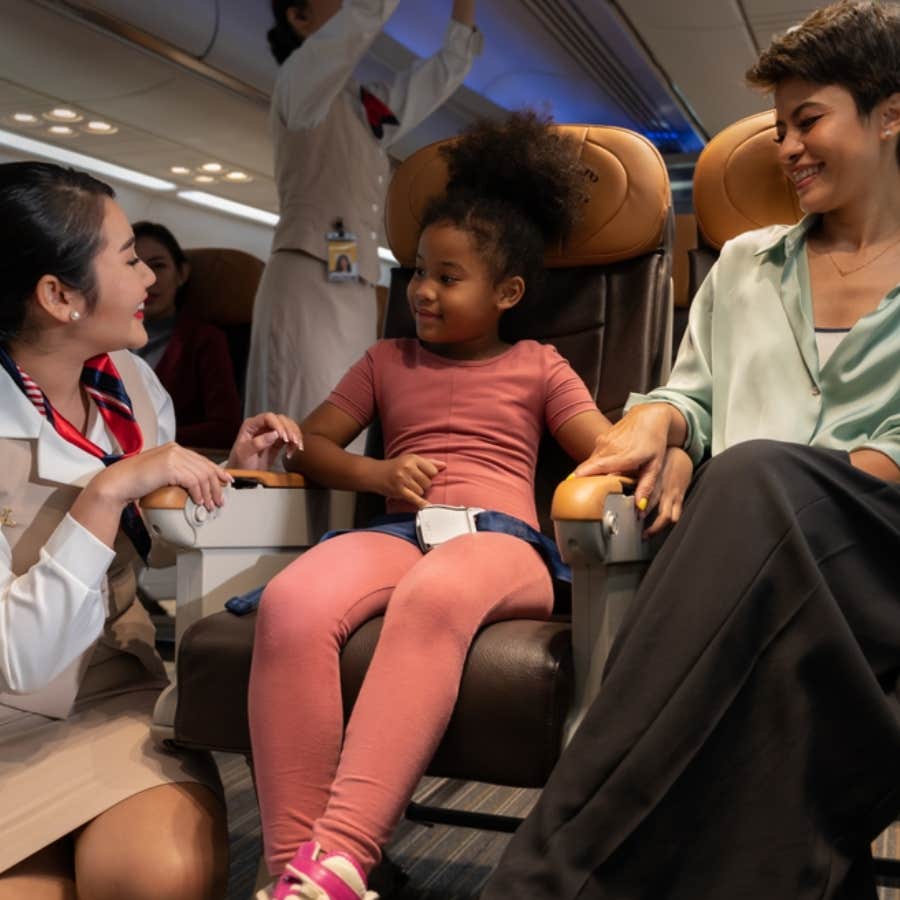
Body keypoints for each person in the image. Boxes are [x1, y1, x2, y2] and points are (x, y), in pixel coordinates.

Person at [480, 3, 900, 899]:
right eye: (779, 127)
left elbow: (882, 463)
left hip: (882, 560)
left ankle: (546, 875)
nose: (787, 146)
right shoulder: (744, 265)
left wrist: (730, 483)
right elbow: (689, 392)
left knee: (754, 479)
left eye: (808, 120)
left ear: (890, 115)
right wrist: (663, 428)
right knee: (773, 683)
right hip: (757, 561)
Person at [247, 111, 695, 900]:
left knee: (436, 594)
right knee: (292, 601)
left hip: (503, 545)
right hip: (398, 528)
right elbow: (317, 444)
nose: (421, 290)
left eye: (447, 279)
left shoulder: (537, 364)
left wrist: (664, 441)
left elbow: (602, 445)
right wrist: (379, 475)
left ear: (508, 292)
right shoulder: (386, 359)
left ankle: (344, 854)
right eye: (418, 271)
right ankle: (295, 874)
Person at [0, 161, 303, 900]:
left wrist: (220, 480)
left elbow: (161, 553)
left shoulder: (131, 385)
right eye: (130, 257)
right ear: (59, 295)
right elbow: (18, 659)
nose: (149, 279)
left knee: (155, 877)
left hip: (114, 692)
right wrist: (103, 495)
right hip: (8, 711)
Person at [244, 0, 482, 439]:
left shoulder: (361, 104)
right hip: (307, 280)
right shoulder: (299, 81)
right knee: (301, 425)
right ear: (299, 16)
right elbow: (363, 16)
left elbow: (445, 70)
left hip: (351, 280)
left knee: (347, 427)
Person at [132, 221, 243, 449]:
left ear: (181, 274)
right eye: (133, 265)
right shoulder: (107, 338)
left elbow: (225, 428)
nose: (148, 278)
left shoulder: (204, 340)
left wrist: (146, 439)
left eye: (158, 266)